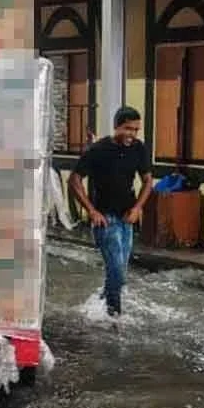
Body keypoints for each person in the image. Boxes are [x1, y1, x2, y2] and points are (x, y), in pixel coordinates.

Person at [68, 106, 153, 318]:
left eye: (136, 130)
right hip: (105, 220)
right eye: (127, 129)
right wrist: (92, 211)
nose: (132, 134)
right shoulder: (98, 150)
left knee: (119, 272)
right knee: (117, 272)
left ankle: (101, 304)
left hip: (127, 218)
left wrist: (137, 208)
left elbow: (148, 180)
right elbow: (75, 179)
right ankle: (115, 316)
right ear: (116, 126)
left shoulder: (138, 148)